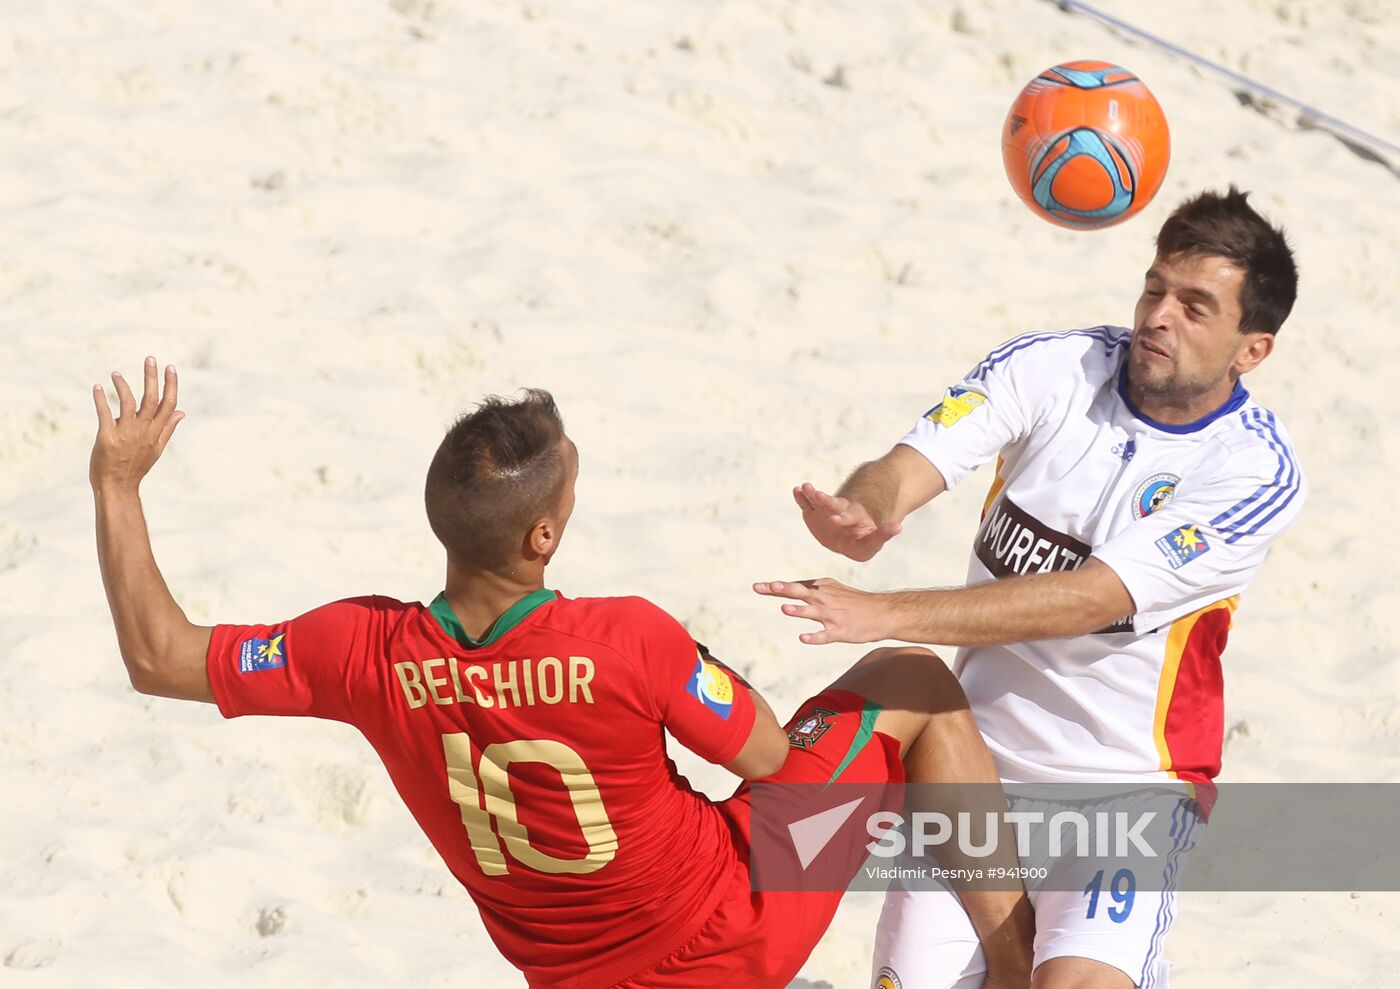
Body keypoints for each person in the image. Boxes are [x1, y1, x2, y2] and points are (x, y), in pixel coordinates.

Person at [90, 366, 1035, 988]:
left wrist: (118, 486)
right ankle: (1015, 957)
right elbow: (768, 750)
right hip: (736, 931)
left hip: (573, 973)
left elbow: (159, 655)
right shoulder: (625, 637)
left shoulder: (357, 650)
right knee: (910, 677)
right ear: (544, 536)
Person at [755, 187, 1305, 989]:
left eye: (1195, 307)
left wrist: (884, 613)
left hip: (1125, 794)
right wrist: (865, 509)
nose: (1158, 316)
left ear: (1250, 350)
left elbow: (1088, 598)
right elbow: (911, 462)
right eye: (1155, 288)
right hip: (969, 771)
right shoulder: (1053, 365)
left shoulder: (1251, 470)